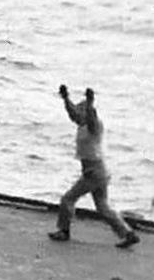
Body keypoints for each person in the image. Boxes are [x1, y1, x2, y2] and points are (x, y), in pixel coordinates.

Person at [48, 85, 139, 248]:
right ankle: (128, 233)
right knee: (103, 207)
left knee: (68, 199)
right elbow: (73, 114)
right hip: (99, 171)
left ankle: (64, 231)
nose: (78, 114)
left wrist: (90, 102)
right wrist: (65, 98)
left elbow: (89, 116)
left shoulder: (94, 126)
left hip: (93, 172)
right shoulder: (82, 126)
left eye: (81, 110)